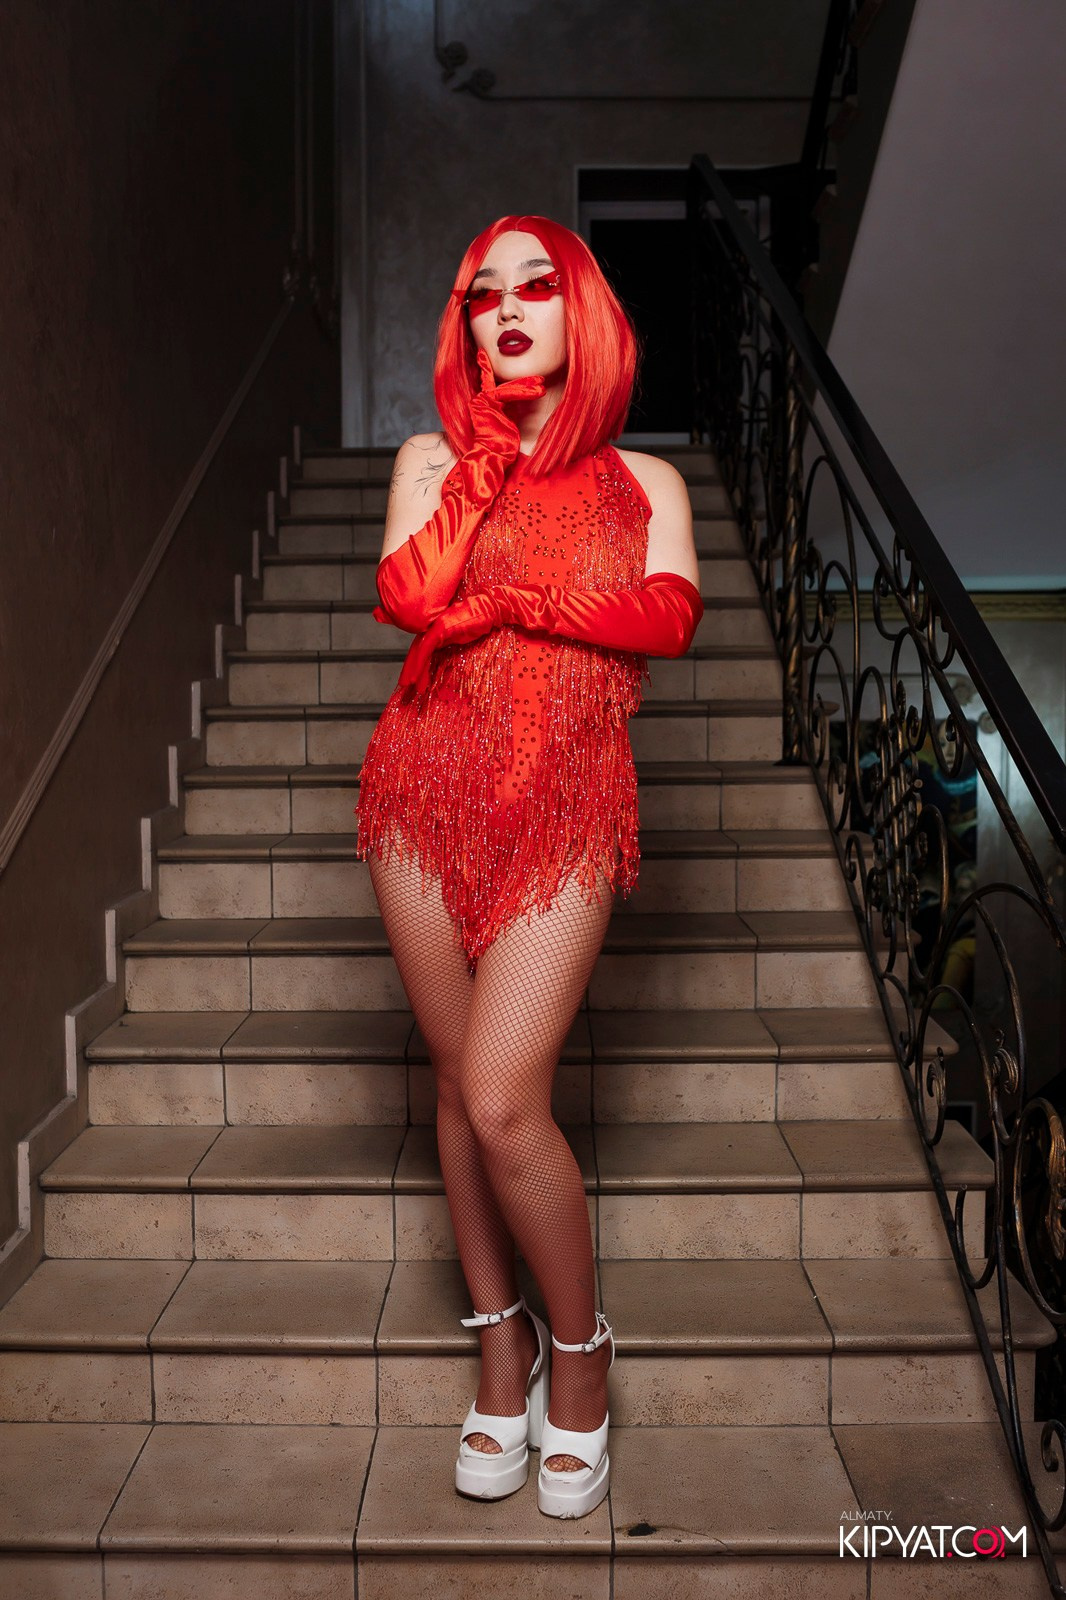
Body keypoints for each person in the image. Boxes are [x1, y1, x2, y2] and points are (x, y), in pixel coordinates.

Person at [354, 213, 703, 1518]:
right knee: (456, 1086)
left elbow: (666, 616)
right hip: (421, 789)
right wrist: (486, 464)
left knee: (504, 1096)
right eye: (481, 295)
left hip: (565, 799)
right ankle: (499, 1351)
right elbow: (410, 595)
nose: (505, 309)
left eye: (535, 286)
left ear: (581, 312)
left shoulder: (644, 480)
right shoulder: (431, 461)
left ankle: (582, 1354)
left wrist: (517, 605)